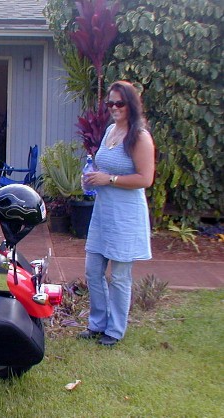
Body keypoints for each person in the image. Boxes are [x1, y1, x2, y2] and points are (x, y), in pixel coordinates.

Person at [78, 80, 155, 346]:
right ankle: (97, 323)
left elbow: (145, 179)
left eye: (119, 103)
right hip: (103, 213)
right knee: (93, 270)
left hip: (126, 216)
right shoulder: (111, 130)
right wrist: (92, 177)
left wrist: (109, 179)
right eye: (110, 103)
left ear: (131, 104)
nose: (114, 108)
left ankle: (115, 330)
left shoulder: (140, 137)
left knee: (120, 277)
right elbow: (104, 166)